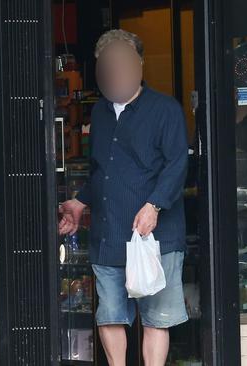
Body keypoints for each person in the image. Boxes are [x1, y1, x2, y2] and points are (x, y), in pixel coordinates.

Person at [58, 29, 189, 366]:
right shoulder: (99, 113)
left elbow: (177, 165)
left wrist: (154, 205)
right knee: (110, 314)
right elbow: (102, 170)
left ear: (139, 65)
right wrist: (79, 201)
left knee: (155, 318)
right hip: (110, 231)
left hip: (155, 236)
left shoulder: (165, 109)